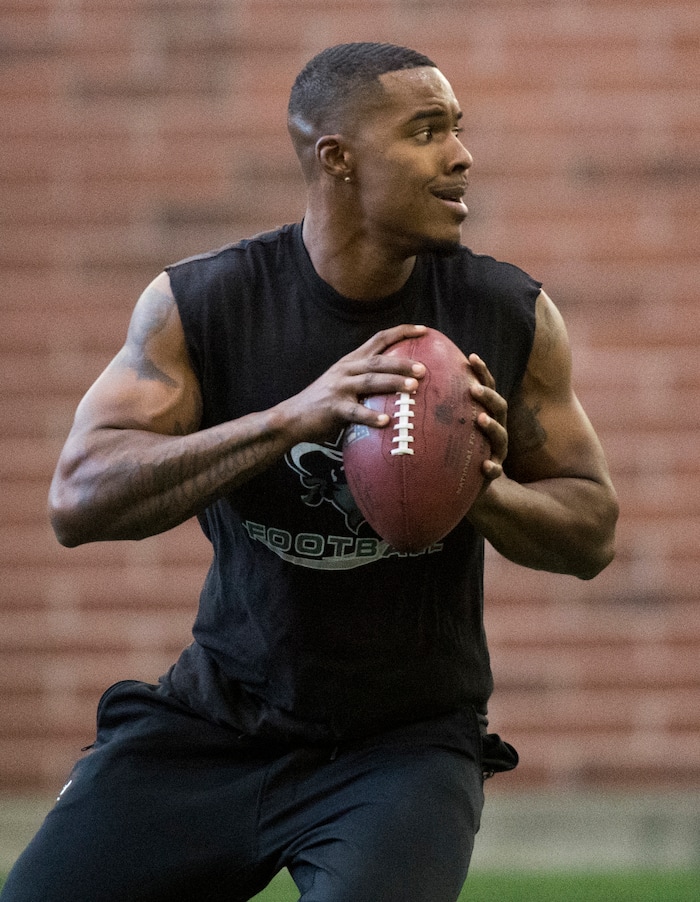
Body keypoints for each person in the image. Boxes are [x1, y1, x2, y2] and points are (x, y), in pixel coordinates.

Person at [2, 42, 618, 902]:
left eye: (459, 129)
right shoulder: (205, 304)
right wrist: (289, 418)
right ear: (338, 158)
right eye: (426, 130)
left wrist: (483, 487)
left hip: (402, 746)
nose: (461, 155)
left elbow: (592, 530)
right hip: (216, 723)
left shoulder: (505, 313)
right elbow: (78, 501)